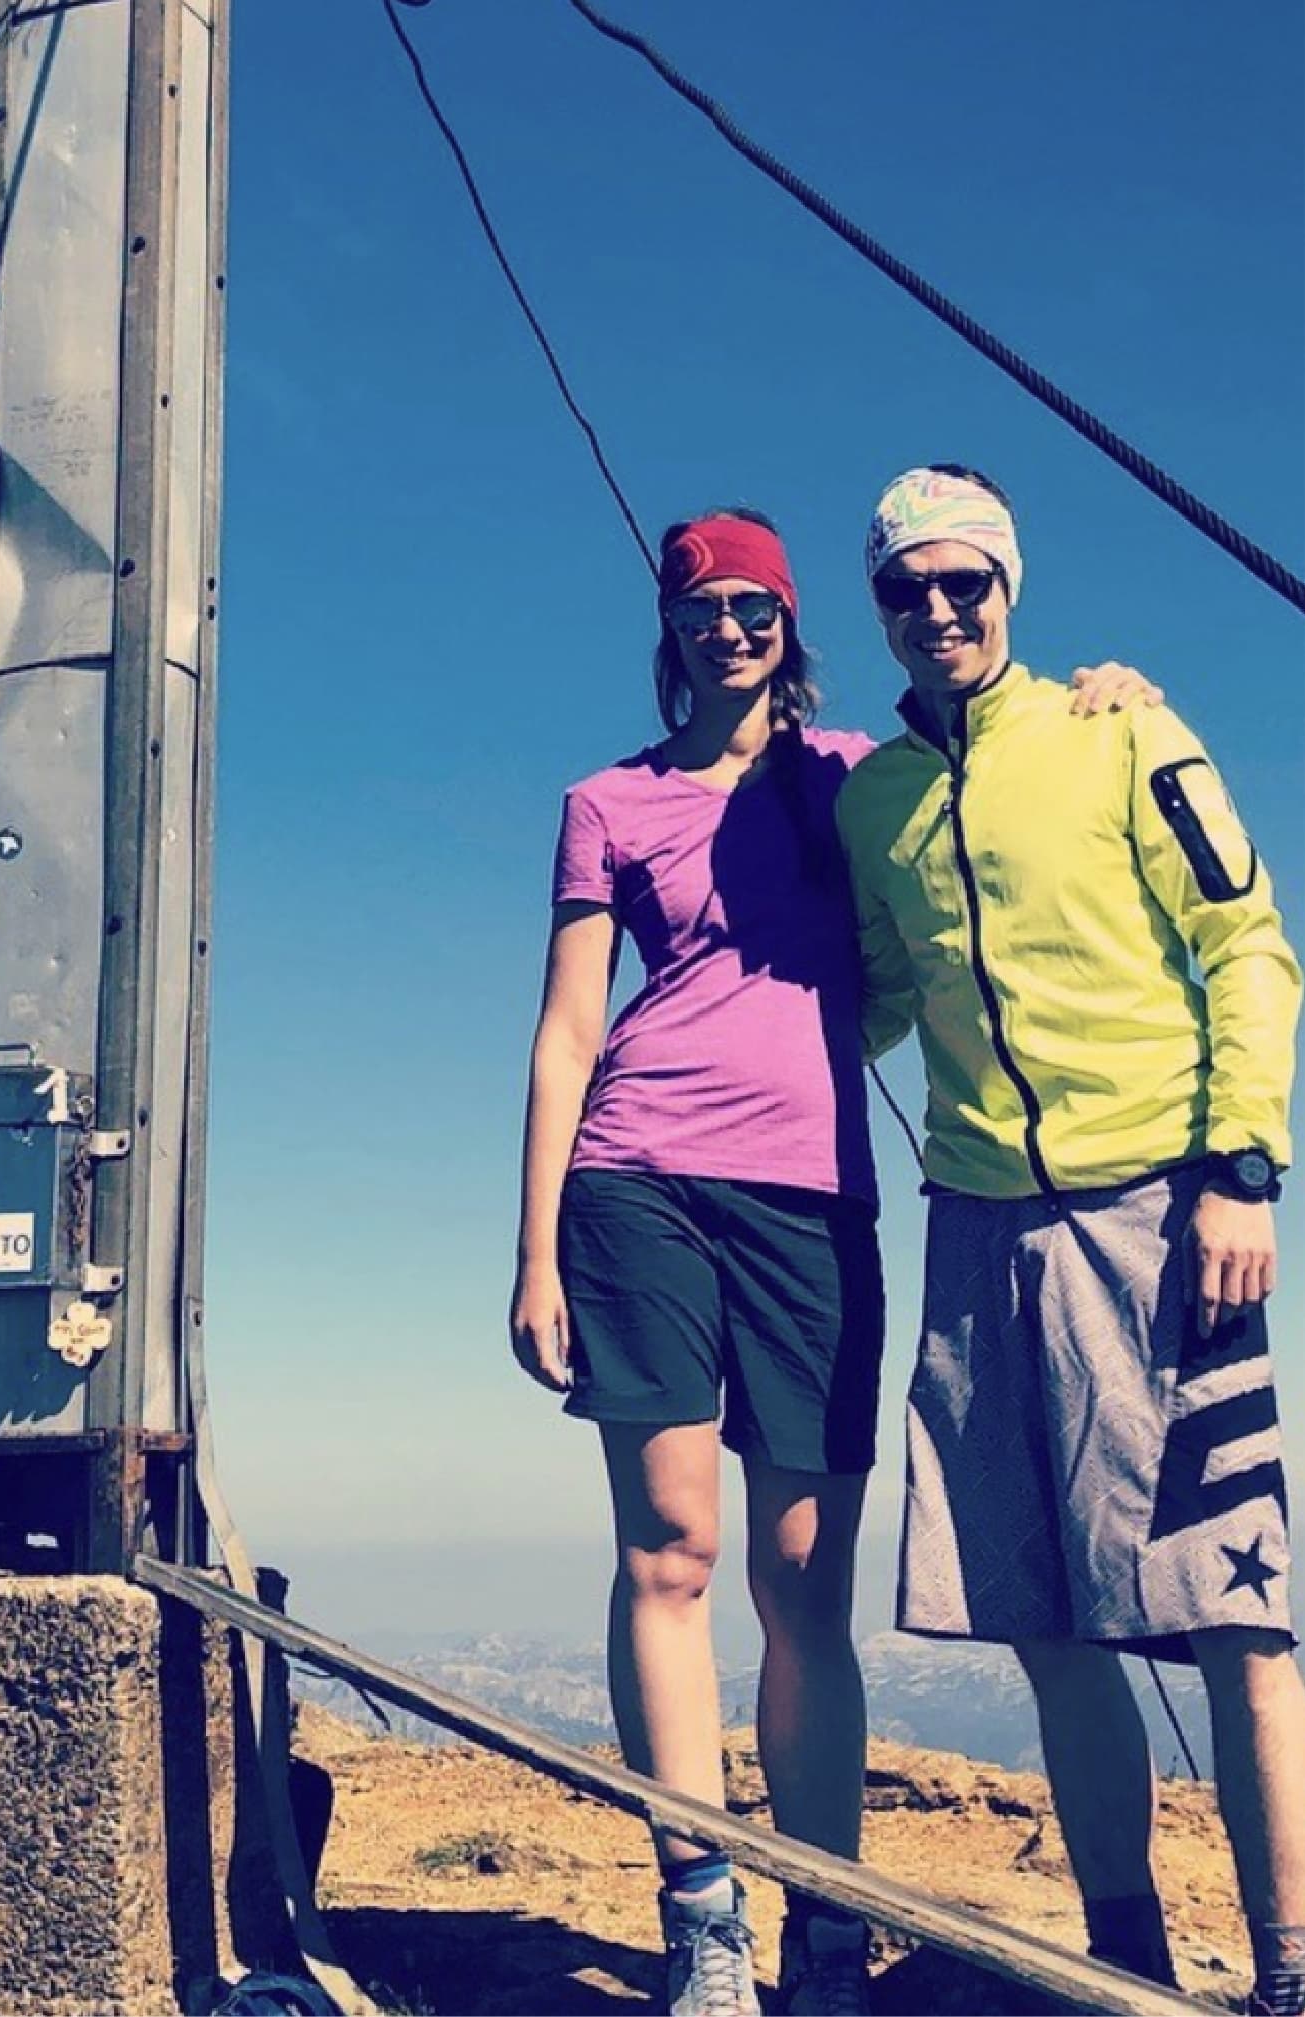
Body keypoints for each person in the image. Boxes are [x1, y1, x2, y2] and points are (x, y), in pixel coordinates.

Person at [508, 507, 1149, 2017]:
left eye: (754, 606)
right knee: (668, 1550)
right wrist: (533, 1246)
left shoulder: (855, 778)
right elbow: (566, 1028)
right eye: (702, 606)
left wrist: (1099, 698)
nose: (728, 628)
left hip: (814, 1196)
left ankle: (826, 1921)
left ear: (788, 626)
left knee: (806, 1580)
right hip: (635, 1182)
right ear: (668, 630)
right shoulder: (603, 800)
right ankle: (702, 1924)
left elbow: (988, 770)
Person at [834, 464, 1305, 2014]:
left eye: (965, 580)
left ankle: (1291, 1972)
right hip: (978, 1233)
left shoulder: (1116, 728)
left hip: (1163, 1212)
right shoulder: (872, 800)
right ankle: (1127, 1963)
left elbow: (1243, 938)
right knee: (1044, 1623)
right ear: (880, 604)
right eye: (908, 586)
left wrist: (1242, 1162)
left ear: (1009, 588)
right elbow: (889, 998)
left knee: (1233, 1608)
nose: (939, 608)